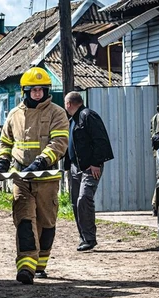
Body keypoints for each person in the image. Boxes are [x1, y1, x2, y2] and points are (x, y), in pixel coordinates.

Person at [0, 67, 69, 285]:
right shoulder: (14, 115)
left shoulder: (57, 113)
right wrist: (2, 162)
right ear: (25, 91)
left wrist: (42, 161)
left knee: (46, 223)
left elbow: (59, 142)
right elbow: (5, 142)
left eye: (41, 89)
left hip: (46, 178)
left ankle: (40, 264)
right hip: (21, 178)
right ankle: (26, 266)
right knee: (24, 221)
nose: (37, 93)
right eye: (33, 90)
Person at [63, 91, 114, 252]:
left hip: (90, 167)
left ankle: (90, 239)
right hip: (75, 168)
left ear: (69, 104)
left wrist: (96, 163)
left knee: (84, 199)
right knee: (75, 202)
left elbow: (100, 140)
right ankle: (83, 237)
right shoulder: (73, 120)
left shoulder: (88, 115)